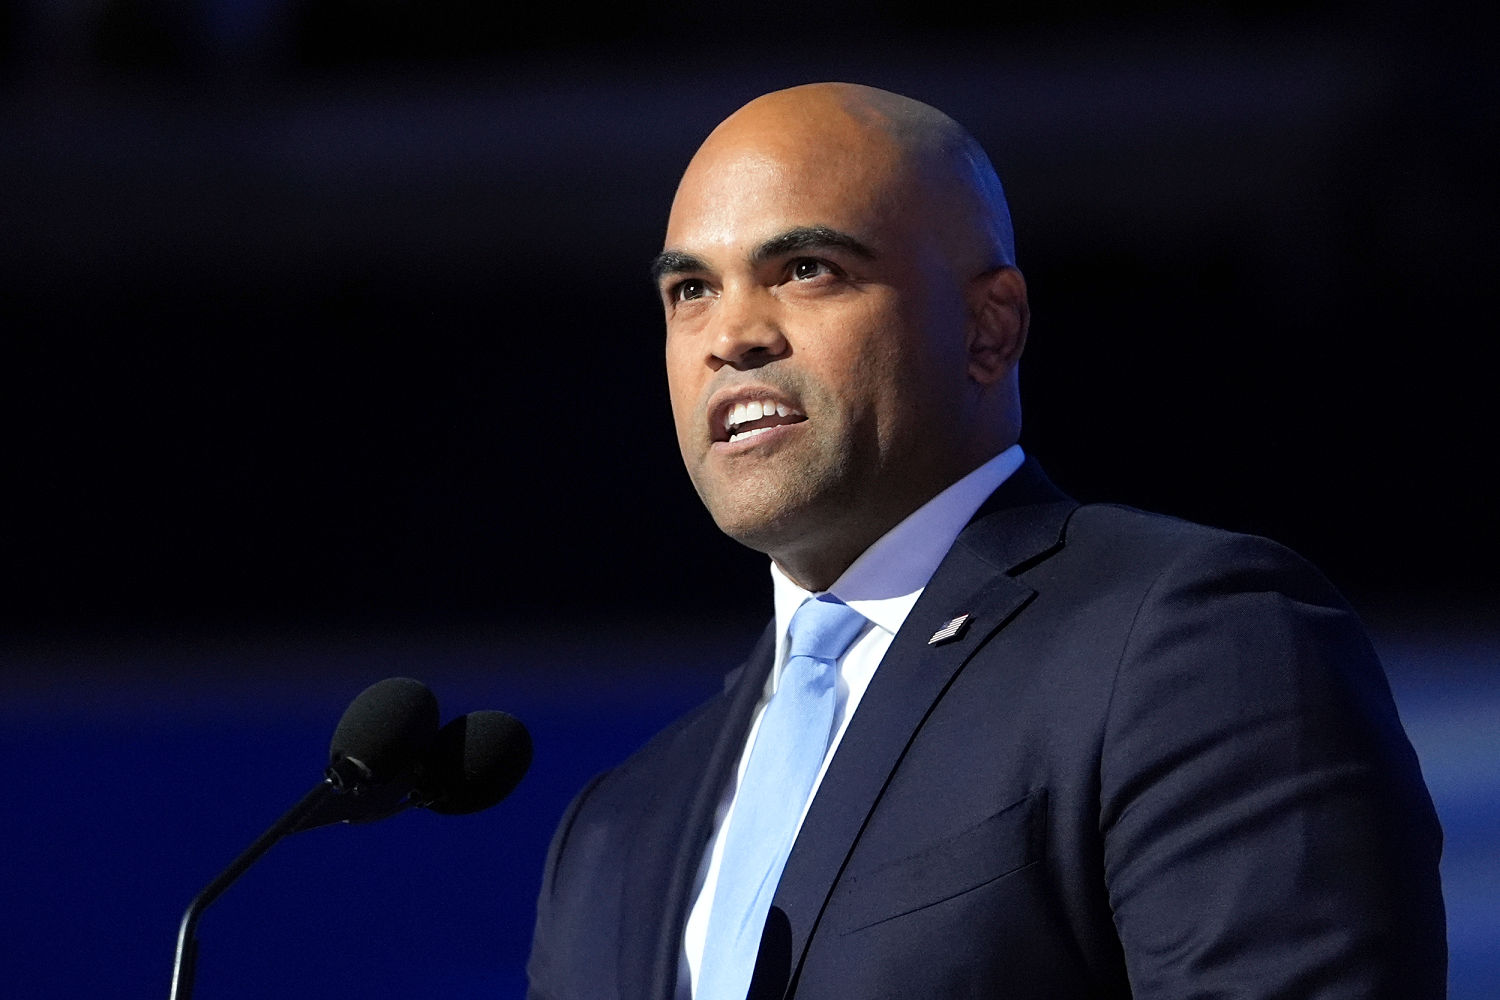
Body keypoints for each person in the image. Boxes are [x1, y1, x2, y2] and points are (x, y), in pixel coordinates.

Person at [525, 82, 1446, 999]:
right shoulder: (619, 830)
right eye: (690, 290)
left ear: (989, 328)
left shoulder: (1192, 646)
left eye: (806, 269)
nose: (730, 335)